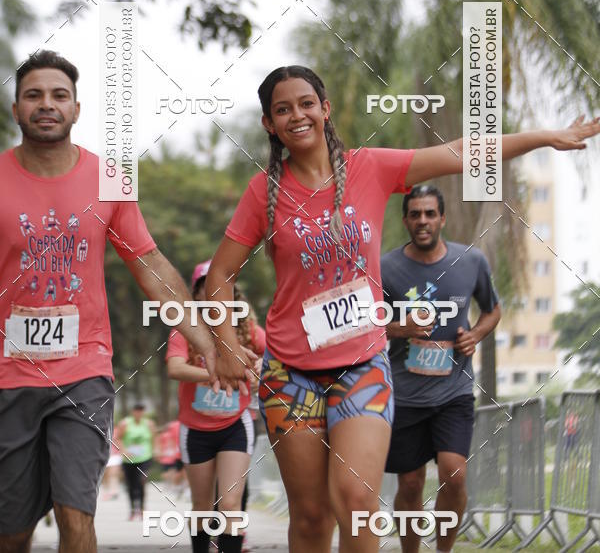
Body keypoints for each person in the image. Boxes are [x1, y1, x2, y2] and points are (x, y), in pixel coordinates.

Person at [204, 64, 600, 553]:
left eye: (307, 103)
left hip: (362, 367)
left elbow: (459, 153)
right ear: (269, 124)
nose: (297, 115)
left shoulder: (371, 166)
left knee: (356, 502)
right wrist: (223, 346)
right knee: (309, 519)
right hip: (290, 374)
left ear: (324, 110)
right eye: (282, 109)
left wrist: (544, 136)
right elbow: (221, 275)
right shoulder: (262, 193)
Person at [0, 50, 218, 553]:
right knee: (11, 531)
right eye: (33, 95)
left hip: (84, 371)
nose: (46, 105)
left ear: (77, 109)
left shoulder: (111, 177)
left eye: (59, 95)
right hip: (10, 375)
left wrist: (200, 336)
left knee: (77, 512)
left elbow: (149, 264)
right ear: (16, 110)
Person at [381, 185, 501, 553]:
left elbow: (493, 309)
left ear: (442, 218)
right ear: (405, 220)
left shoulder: (471, 262)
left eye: (430, 213)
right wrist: (401, 328)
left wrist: (476, 334)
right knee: (412, 483)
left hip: (454, 392)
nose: (422, 221)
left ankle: (444, 550)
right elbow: (368, 321)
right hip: (405, 394)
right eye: (415, 214)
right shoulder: (386, 267)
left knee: (454, 473)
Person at [166, 261, 266, 553]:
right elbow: (175, 368)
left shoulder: (246, 328)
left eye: (222, 289)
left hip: (235, 425)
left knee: (231, 503)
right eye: (206, 289)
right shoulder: (185, 328)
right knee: (202, 505)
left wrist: (260, 365)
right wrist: (218, 374)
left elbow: (274, 352)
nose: (214, 295)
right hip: (195, 430)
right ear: (195, 294)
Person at [114, 403, 156, 519]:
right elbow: (118, 438)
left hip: (145, 457)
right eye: (137, 410)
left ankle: (142, 508)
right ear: (133, 412)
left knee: (141, 480)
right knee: (131, 485)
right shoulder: (125, 423)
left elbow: (153, 438)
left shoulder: (149, 424)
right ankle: (133, 509)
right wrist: (123, 450)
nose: (139, 413)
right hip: (129, 459)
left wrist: (155, 451)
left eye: (141, 411)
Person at [156, 419, 185, 493]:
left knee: (167, 470)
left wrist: (160, 452)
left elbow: (160, 444)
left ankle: (169, 484)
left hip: (167, 454)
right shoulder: (172, 433)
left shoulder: (163, 435)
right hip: (172, 453)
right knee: (173, 470)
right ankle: (172, 484)